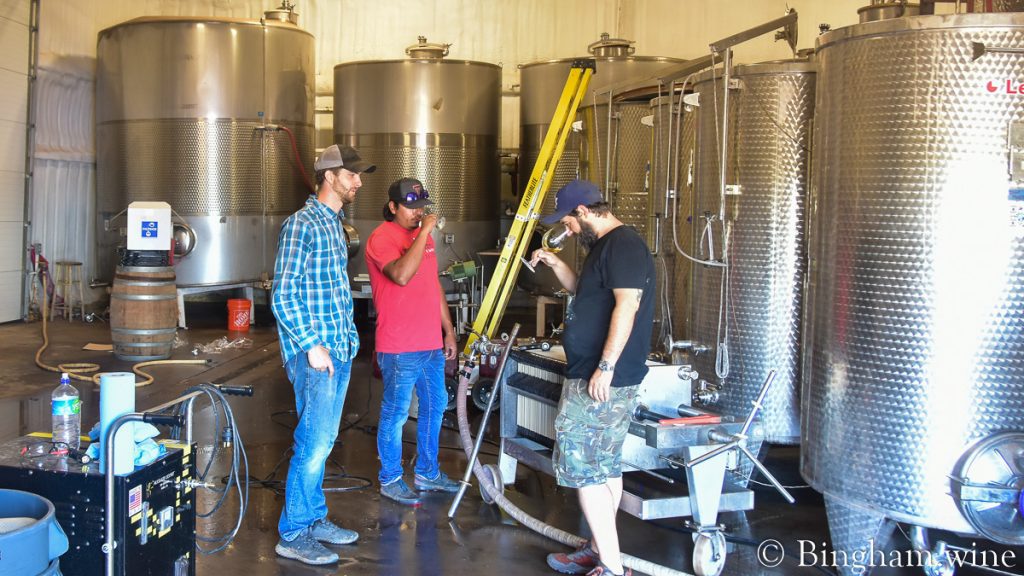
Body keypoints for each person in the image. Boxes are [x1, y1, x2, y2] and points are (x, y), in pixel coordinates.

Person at [529, 180, 655, 576]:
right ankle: (600, 550)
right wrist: (556, 265)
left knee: (584, 470)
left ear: (583, 211)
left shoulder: (624, 246)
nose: (566, 228)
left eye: (568, 220)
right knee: (605, 467)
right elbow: (586, 294)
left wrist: (606, 366)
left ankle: (612, 568)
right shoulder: (604, 247)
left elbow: (627, 306)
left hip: (602, 378)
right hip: (596, 374)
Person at [271, 144, 376, 565]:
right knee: (313, 443)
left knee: (325, 439)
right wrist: (311, 345)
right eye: (352, 174)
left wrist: (346, 340)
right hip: (315, 352)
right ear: (330, 176)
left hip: (338, 349)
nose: (358, 182)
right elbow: (283, 294)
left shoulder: (334, 225)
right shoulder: (301, 224)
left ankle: (312, 517)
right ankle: (294, 533)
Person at [365, 177, 460, 505]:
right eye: (410, 207)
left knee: (435, 406)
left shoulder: (424, 238)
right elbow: (402, 275)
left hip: (430, 342)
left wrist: (448, 331)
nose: (418, 212)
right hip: (399, 345)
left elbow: (433, 285)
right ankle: (390, 478)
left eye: (421, 207)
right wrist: (424, 232)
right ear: (393, 207)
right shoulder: (381, 238)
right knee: (396, 412)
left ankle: (428, 472)